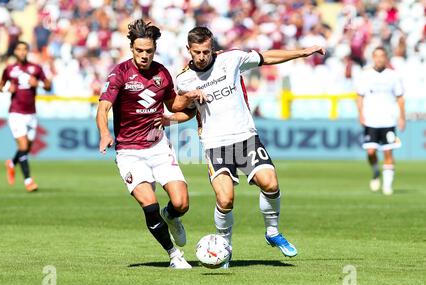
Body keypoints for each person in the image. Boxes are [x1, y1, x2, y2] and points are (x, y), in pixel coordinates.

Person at [173, 26, 325, 268]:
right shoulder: (183, 78)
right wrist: (189, 96)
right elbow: (177, 106)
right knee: (225, 200)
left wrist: (302, 52)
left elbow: (266, 57)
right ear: (188, 50)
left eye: (206, 51)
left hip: (245, 137)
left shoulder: (231, 59)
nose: (202, 57)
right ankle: (225, 248)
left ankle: (272, 232)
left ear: (212, 47)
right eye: (197, 52)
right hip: (215, 144)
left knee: (270, 183)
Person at [96, 19, 204, 269]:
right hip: (129, 153)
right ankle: (174, 255)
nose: (144, 56)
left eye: (149, 51)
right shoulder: (120, 73)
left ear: (154, 50)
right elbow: (103, 109)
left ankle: (172, 217)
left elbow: (173, 106)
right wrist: (104, 133)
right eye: (139, 51)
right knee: (149, 204)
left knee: (181, 203)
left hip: (158, 147)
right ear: (131, 48)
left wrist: (189, 97)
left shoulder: (161, 73)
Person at [0, 41, 52, 192]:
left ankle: (11, 163)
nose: (22, 52)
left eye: (24, 49)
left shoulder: (36, 68)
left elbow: (48, 85)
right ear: (15, 51)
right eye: (19, 49)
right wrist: (9, 87)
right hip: (16, 113)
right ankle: (29, 181)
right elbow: (0, 86)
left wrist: (39, 84)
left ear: (27, 51)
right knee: (22, 146)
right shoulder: (9, 69)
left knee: (27, 148)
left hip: (31, 114)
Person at [356, 46, 405, 195]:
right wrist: (360, 115)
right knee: (371, 152)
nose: (379, 59)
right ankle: (376, 171)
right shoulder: (365, 75)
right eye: (376, 56)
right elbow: (359, 97)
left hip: (388, 120)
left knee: (388, 152)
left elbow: (400, 98)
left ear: (386, 58)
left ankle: (387, 186)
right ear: (373, 57)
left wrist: (402, 117)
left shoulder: (393, 76)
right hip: (371, 119)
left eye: (381, 56)